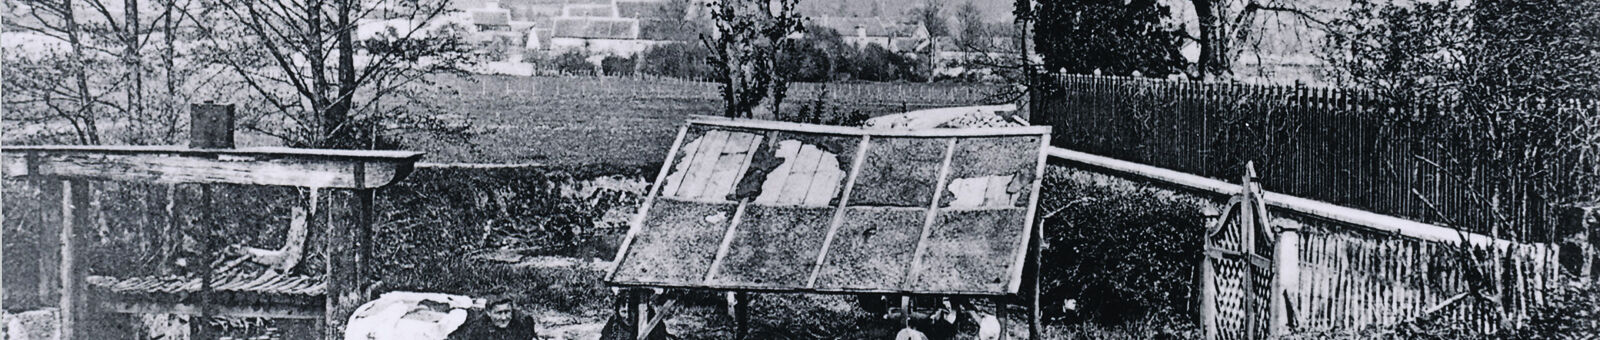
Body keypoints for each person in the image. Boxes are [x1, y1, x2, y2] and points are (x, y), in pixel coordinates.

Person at [450, 295, 540, 340]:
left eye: (507, 312)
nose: (504, 317)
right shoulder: (477, 327)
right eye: (499, 313)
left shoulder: (523, 321)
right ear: (488, 312)